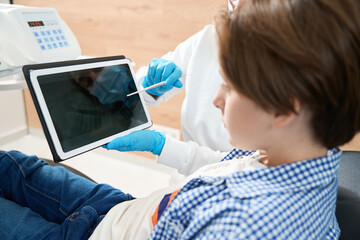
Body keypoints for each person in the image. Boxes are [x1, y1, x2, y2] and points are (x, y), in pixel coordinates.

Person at [1, 0, 360, 239]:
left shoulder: (235, 226)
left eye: (230, 86)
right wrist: (161, 145)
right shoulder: (306, 153)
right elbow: (231, 168)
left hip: (98, 233)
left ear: (284, 108)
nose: (215, 98)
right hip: (131, 209)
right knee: (17, 165)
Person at [104, 0, 241, 176]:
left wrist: (161, 145)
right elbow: (144, 85)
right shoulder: (209, 37)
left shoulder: (280, 68)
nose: (215, 100)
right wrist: (150, 86)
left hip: (226, 181)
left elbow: (247, 167)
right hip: (186, 178)